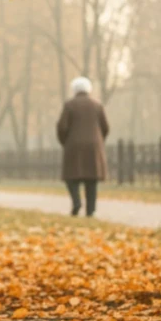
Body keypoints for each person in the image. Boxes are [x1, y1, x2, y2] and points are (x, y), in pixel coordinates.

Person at [56, 76, 110, 217]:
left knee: (71, 178)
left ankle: (76, 202)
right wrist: (98, 141)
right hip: (94, 147)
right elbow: (105, 127)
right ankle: (90, 210)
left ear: (74, 90)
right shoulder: (97, 105)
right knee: (91, 180)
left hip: (73, 146)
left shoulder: (69, 105)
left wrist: (65, 142)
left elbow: (62, 127)